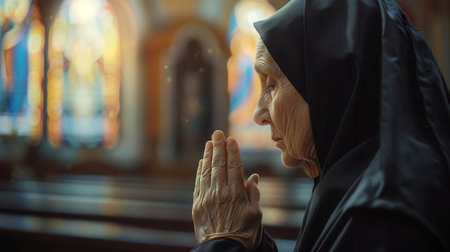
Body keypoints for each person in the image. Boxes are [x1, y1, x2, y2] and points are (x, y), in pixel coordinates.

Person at [191, 0, 450, 251]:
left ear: (330, 86)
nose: (259, 114)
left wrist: (221, 242)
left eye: (270, 83)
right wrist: (250, 245)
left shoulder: (382, 217)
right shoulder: (364, 183)